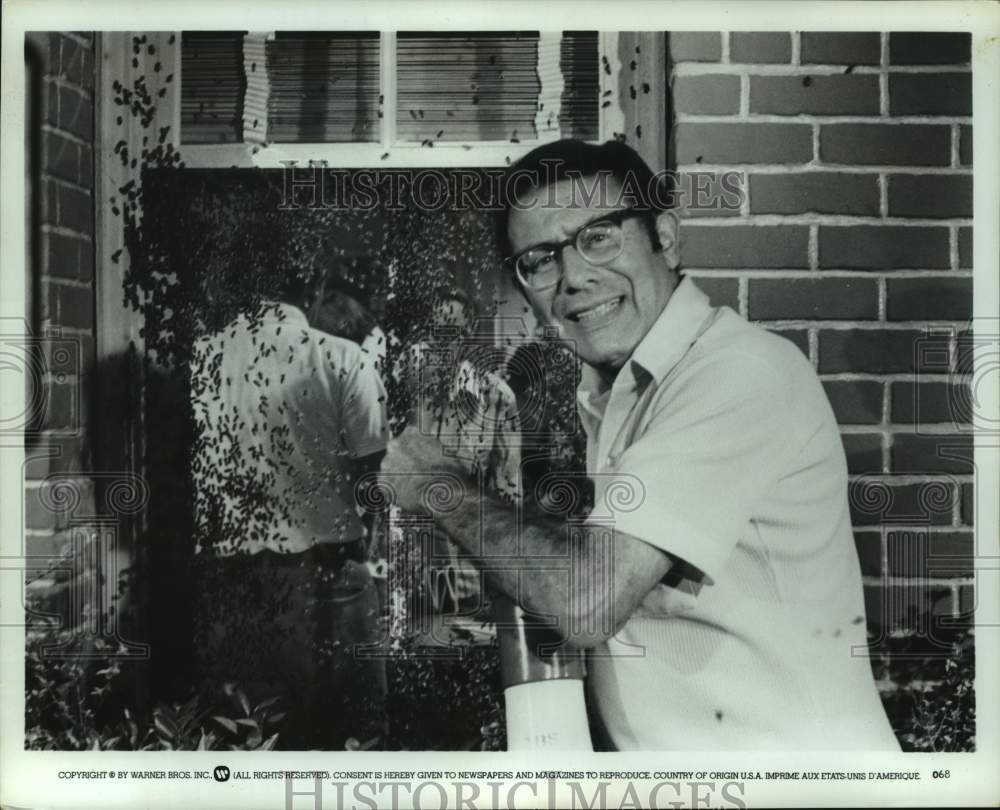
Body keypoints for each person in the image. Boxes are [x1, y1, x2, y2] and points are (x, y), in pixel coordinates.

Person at [381, 139, 900, 750]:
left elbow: (587, 600)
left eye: (598, 236)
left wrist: (439, 486)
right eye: (540, 260)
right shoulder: (621, 391)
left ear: (666, 238)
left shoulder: (736, 373)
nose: (574, 277)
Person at [189, 268, 388, 750]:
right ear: (315, 288)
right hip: (327, 576)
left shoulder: (199, 357)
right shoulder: (341, 358)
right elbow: (373, 476)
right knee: (346, 741)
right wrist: (370, 537)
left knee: (242, 742)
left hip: (228, 578)